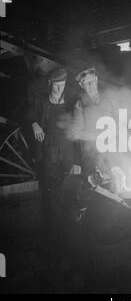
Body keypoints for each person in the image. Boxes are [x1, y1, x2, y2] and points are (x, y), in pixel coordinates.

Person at [27, 68, 79, 238]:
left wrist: (77, 161)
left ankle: (71, 232)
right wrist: (34, 123)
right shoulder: (42, 102)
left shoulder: (71, 103)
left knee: (70, 193)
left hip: (68, 154)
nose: (59, 89)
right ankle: (55, 234)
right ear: (50, 84)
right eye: (56, 86)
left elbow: (79, 132)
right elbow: (29, 114)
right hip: (49, 154)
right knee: (52, 196)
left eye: (62, 85)